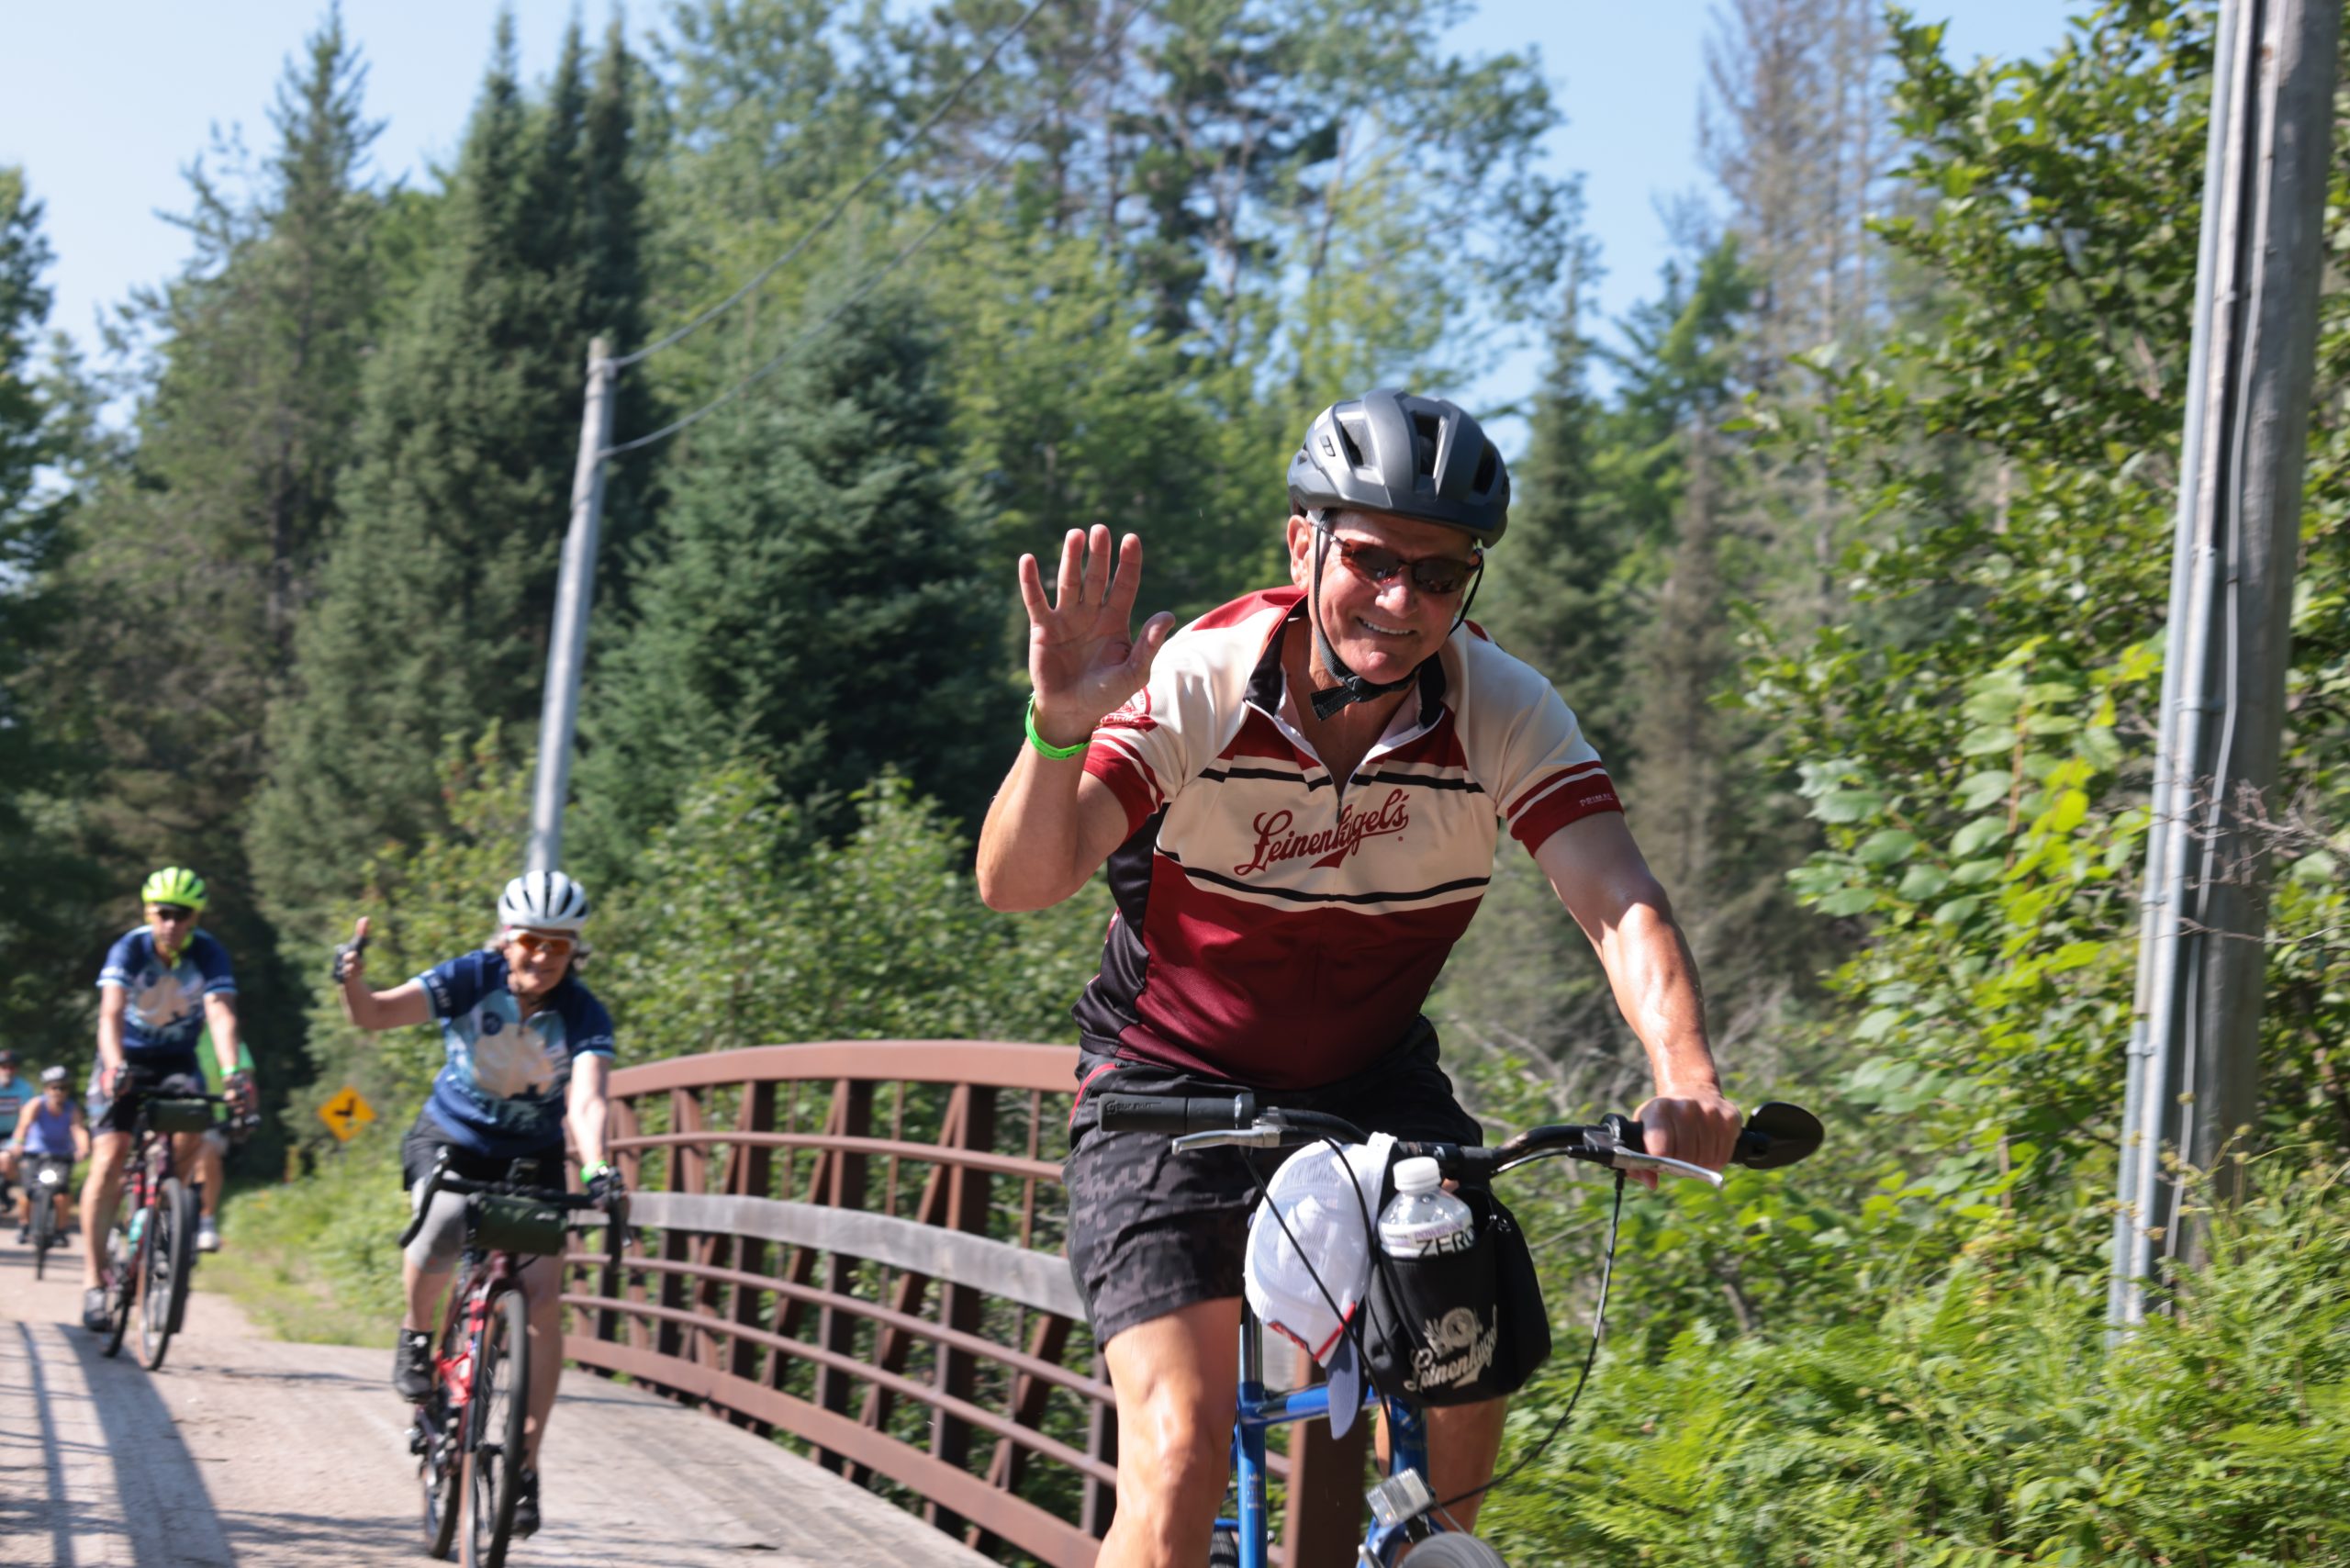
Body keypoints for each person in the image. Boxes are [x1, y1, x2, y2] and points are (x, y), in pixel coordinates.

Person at [976, 389, 1743, 1568]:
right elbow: (1023, 880)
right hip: (1164, 1086)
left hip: (1372, 1085)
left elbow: (1615, 895)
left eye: (1439, 577)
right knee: (1178, 1454)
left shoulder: (1502, 707)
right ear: (1304, 545)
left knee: (1465, 1373)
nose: (1401, 602)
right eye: (1372, 559)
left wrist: (1681, 1071)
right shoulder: (1206, 677)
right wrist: (1056, 728)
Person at [335, 869, 621, 1540]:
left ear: (575, 951)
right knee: (438, 1226)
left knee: (543, 1299)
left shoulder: (585, 1012)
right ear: (506, 939)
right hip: (451, 1138)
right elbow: (374, 1014)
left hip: (532, 1156)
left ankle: (523, 1464)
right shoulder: (469, 977)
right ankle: (414, 1336)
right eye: (530, 942)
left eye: (559, 946)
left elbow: (587, 1100)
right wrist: (351, 976)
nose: (543, 958)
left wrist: (602, 1166)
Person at [81, 868, 254, 1330]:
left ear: (195, 917)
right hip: (125, 1058)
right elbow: (111, 1013)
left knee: (192, 1133)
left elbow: (220, 1014)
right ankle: (94, 1284)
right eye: (164, 913)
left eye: (183, 915)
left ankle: (163, 1212)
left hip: (177, 1062)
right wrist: (115, 1065)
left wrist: (234, 1071)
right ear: (149, 912)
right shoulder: (130, 949)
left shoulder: (208, 952)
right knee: (109, 1157)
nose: (172, 923)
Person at [13, 1065, 89, 1240]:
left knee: (62, 1194)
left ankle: (61, 1231)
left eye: (63, 1087)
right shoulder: (36, 1105)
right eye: (55, 1087)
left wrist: (83, 1148)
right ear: (47, 1088)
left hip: (61, 1156)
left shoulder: (72, 1108)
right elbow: (24, 1126)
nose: (59, 1091)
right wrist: (18, 1143)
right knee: (28, 1193)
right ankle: (24, 1225)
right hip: (35, 1154)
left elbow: (78, 1129)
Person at [0, 1050, 30, 1222]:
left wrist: (19, 1140)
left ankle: (4, 1192)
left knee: (7, 1159)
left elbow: (26, 1116)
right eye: (4, 1067)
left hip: (12, 1133)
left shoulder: (24, 1088)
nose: (7, 1071)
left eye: (11, 1067)